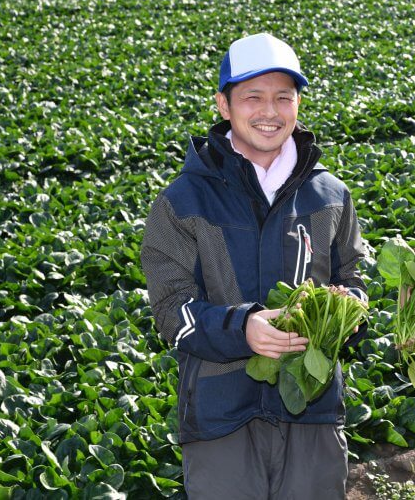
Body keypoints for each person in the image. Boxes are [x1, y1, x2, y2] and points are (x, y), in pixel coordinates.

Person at [141, 32, 367, 499]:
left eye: (284, 97)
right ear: (224, 105)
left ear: (298, 104)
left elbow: (354, 279)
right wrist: (242, 328)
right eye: (253, 97)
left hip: (313, 407)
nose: (270, 111)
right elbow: (170, 310)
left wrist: (348, 311)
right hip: (221, 415)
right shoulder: (182, 201)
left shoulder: (330, 195)